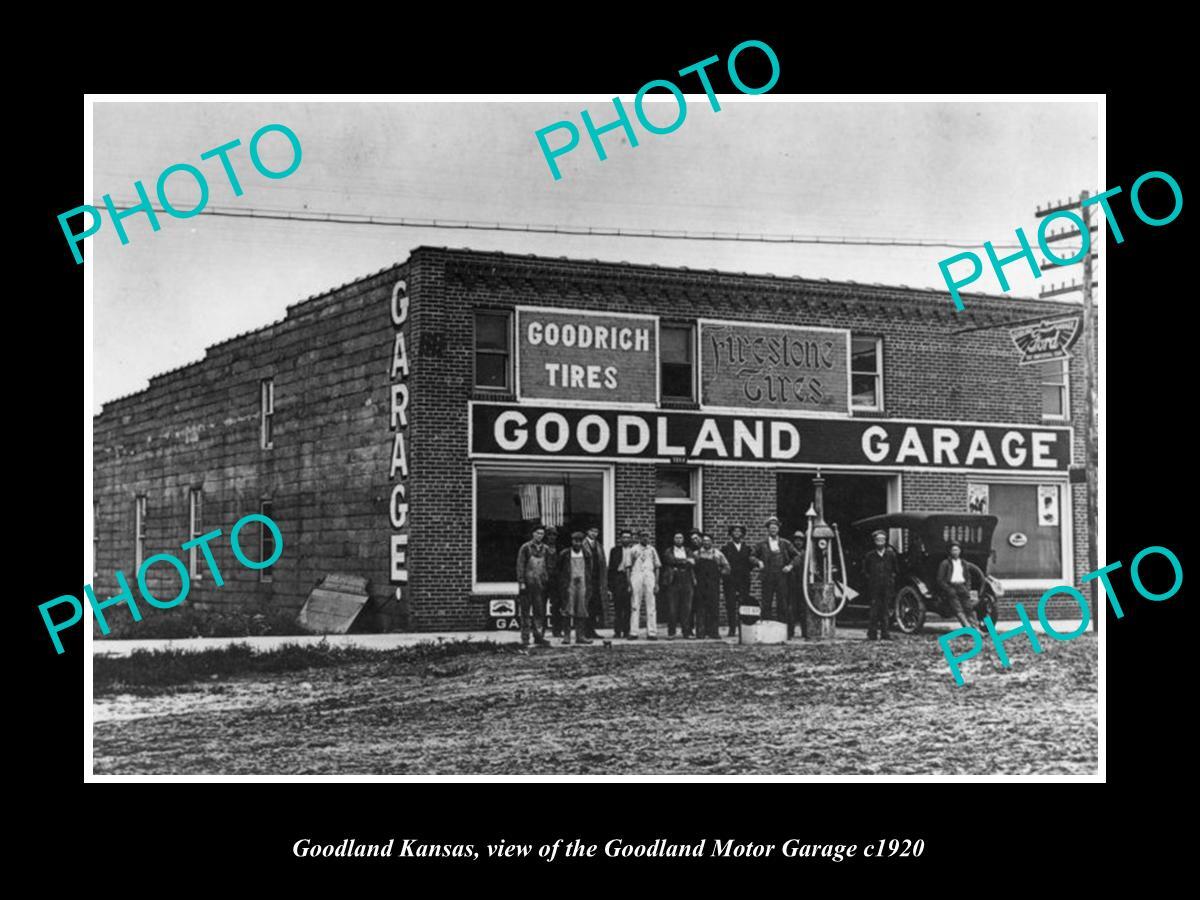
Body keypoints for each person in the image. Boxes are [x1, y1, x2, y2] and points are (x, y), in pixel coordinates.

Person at [752, 516, 800, 625]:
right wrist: (758, 562)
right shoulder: (761, 544)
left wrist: (790, 566)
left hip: (781, 577)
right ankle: (766, 625)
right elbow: (751, 556)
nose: (773, 530)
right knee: (766, 602)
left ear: (778, 529)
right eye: (771, 528)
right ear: (768, 529)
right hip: (767, 576)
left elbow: (797, 556)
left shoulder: (785, 543)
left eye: (775, 528)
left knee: (782, 602)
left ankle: (782, 626)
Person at [515, 525, 553, 646]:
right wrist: (521, 582)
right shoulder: (525, 548)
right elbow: (520, 566)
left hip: (540, 586)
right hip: (527, 585)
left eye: (542, 534)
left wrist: (547, 581)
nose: (540, 536)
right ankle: (525, 638)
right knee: (525, 612)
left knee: (539, 612)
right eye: (537, 533)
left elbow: (548, 566)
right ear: (533, 534)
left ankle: (538, 636)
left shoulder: (546, 549)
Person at [862, 529, 900, 641]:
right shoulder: (870, 556)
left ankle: (885, 633)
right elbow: (865, 571)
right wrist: (871, 580)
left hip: (887, 586)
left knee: (885, 610)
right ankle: (872, 633)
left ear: (885, 541)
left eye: (882, 540)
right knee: (874, 610)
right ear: (874, 541)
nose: (880, 542)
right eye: (878, 540)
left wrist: (891, 580)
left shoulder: (891, 555)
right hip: (874, 587)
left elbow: (895, 569)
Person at [937, 541, 985, 629]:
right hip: (951, 587)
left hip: (962, 587)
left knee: (969, 608)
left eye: (957, 550)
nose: (955, 552)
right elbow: (940, 579)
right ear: (950, 551)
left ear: (960, 551)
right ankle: (968, 628)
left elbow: (968, 577)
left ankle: (977, 628)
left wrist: (967, 588)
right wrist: (949, 589)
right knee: (958, 609)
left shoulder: (964, 563)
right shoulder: (945, 563)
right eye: (953, 550)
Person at [557, 531, 594, 645]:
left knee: (581, 610)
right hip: (569, 585)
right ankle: (567, 636)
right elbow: (559, 570)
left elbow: (590, 571)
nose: (577, 543)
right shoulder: (565, 554)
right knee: (567, 609)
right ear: (571, 541)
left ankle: (580, 636)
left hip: (582, 585)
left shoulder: (587, 554)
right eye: (575, 541)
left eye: (580, 541)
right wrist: (563, 584)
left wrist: (587, 583)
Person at [694, 534, 731, 639]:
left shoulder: (718, 554)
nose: (706, 542)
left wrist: (719, 574)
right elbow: (691, 568)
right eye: (704, 540)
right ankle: (700, 632)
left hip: (713, 584)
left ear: (712, 542)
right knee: (700, 608)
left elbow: (727, 568)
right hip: (700, 584)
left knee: (713, 608)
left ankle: (713, 632)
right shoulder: (696, 554)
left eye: (708, 540)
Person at [721, 525, 753, 639]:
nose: (737, 533)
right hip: (730, 580)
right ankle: (732, 628)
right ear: (731, 534)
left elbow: (751, 563)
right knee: (730, 604)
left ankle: (743, 628)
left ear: (742, 534)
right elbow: (722, 564)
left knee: (743, 604)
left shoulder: (747, 548)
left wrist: (746, 572)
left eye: (739, 531)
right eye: (735, 531)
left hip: (744, 580)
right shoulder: (726, 548)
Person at [628, 530, 661, 640]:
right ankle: (633, 632)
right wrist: (629, 583)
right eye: (643, 536)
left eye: (647, 536)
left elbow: (657, 567)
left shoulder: (652, 550)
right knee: (635, 604)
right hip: (636, 575)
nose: (645, 538)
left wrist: (656, 583)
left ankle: (652, 632)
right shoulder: (633, 549)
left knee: (651, 605)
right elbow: (628, 567)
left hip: (649, 575)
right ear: (639, 537)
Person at [662, 531, 696, 638]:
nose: (679, 540)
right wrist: (685, 561)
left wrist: (679, 563)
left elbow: (693, 562)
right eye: (676, 538)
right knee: (672, 608)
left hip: (687, 579)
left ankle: (686, 632)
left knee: (687, 608)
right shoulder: (669, 551)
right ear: (673, 539)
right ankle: (671, 632)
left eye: (680, 538)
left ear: (683, 539)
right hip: (673, 579)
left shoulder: (688, 550)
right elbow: (670, 560)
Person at [607, 529, 635, 639]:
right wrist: (610, 586)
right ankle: (617, 631)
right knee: (618, 607)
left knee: (628, 606)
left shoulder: (634, 550)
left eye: (628, 537)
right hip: (618, 578)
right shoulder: (615, 551)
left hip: (631, 578)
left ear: (631, 539)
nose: (626, 539)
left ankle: (627, 631)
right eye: (624, 537)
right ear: (620, 539)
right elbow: (611, 568)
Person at [583, 525, 608, 638]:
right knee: (586, 605)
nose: (594, 533)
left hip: (597, 580)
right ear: (587, 531)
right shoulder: (582, 545)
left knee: (594, 605)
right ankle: (584, 631)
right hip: (586, 579)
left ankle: (591, 629)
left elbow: (603, 563)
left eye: (596, 532)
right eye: (592, 531)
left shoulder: (599, 546)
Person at [787, 529, 810, 639]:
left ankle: (805, 633)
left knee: (803, 609)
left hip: (803, 584)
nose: (798, 542)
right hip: (791, 584)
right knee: (791, 609)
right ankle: (790, 632)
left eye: (800, 540)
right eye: (796, 540)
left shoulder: (807, 553)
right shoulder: (789, 553)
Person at [544, 526, 562, 637]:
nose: (552, 537)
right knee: (541, 605)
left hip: (556, 580)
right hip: (544, 579)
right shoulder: (542, 548)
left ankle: (557, 630)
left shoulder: (560, 548)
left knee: (556, 605)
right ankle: (541, 631)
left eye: (554, 534)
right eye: (549, 534)